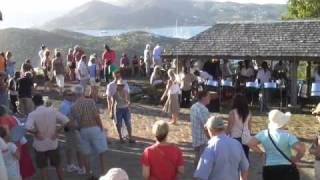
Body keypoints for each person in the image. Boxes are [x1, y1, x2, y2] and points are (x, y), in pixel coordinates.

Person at [247, 109, 306, 180]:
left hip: (269, 168)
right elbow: (301, 149)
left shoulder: (263, 134)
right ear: (283, 123)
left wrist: (261, 153)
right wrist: (296, 159)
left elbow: (250, 143)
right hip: (287, 168)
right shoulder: (288, 136)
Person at [26, 94, 70, 180]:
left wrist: (36, 132)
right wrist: (57, 131)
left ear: (33, 103)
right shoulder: (52, 110)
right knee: (58, 165)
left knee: (43, 167)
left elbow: (27, 127)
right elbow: (66, 120)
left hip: (40, 145)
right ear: (43, 101)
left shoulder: (33, 114)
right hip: (53, 142)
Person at [70, 86, 108, 179]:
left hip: (83, 130)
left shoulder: (73, 106)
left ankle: (89, 175)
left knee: (86, 154)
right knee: (102, 152)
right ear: (83, 92)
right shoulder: (90, 101)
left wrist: (79, 129)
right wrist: (101, 128)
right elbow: (96, 116)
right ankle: (104, 173)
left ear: (75, 94)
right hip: (94, 127)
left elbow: (73, 123)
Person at [0, 105, 35, 180]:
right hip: (19, 144)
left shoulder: (3, 119)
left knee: (20, 169)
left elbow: (7, 135)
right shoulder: (11, 117)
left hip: (15, 147)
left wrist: (7, 144)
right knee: (23, 170)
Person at [59, 90, 84, 175]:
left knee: (70, 147)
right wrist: (76, 127)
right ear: (65, 96)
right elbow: (63, 120)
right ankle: (81, 168)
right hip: (71, 129)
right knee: (79, 148)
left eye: (73, 94)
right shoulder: (65, 106)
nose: (72, 96)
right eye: (69, 94)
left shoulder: (70, 104)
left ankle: (70, 165)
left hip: (72, 129)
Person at [226, 94, 252, 160]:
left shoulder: (232, 112)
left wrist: (225, 135)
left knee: (234, 158)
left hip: (235, 137)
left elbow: (230, 127)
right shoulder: (249, 112)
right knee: (245, 157)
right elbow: (249, 127)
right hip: (246, 137)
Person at [190, 90, 211, 167]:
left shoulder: (193, 106)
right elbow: (207, 126)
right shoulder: (203, 109)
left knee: (197, 156)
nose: (210, 98)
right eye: (208, 96)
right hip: (203, 138)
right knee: (203, 160)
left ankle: (196, 173)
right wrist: (211, 137)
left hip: (195, 136)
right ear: (203, 97)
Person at [111, 79, 135, 143]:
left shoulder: (126, 91)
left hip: (126, 109)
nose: (121, 86)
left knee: (128, 124)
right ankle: (120, 138)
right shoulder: (115, 94)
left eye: (122, 85)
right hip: (119, 109)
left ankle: (130, 138)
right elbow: (112, 104)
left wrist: (129, 105)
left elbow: (129, 100)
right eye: (120, 85)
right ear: (117, 86)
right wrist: (111, 112)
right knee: (119, 124)